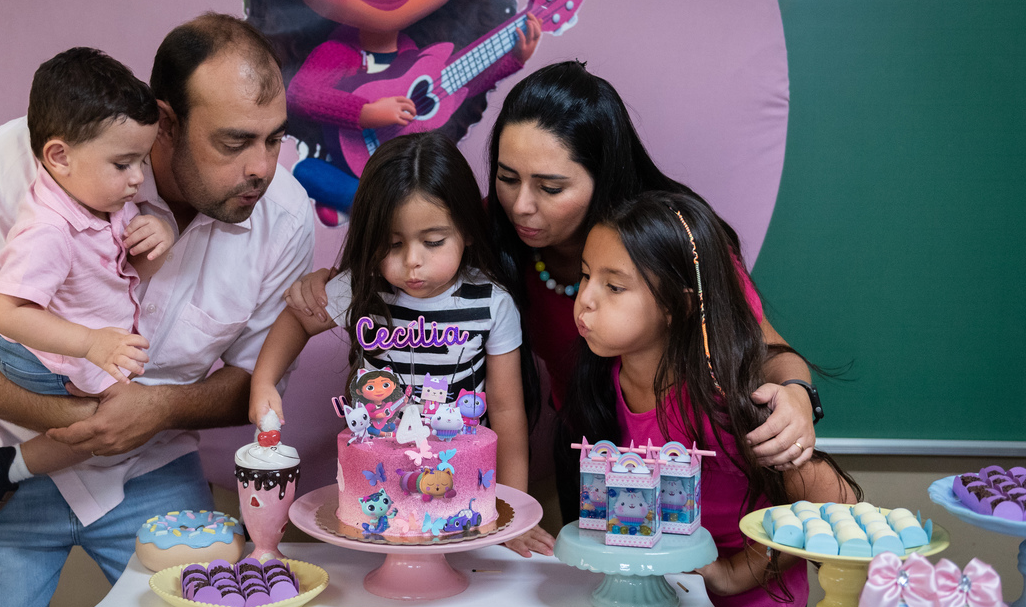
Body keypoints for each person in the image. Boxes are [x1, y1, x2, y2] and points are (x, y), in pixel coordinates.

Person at [0, 13, 315, 607]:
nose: (262, 168)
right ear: (165, 122)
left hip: (150, 473)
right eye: (235, 142)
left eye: (275, 138)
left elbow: (254, 385)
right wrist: (76, 422)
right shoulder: (34, 156)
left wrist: (159, 408)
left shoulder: (286, 219)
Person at [284, 62, 819, 544]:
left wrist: (797, 395)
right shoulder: (485, 231)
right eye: (507, 178)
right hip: (588, 449)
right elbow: (405, 251)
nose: (521, 205)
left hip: (686, 462)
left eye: (551, 187)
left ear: (602, 179)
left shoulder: (669, 244)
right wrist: (337, 282)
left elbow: (768, 353)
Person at [561, 191, 859, 607]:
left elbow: (835, 501)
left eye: (614, 286)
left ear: (678, 305)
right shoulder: (603, 378)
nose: (586, 299)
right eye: (585, 276)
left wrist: (735, 574)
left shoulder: (723, 401)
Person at [0, 47, 176, 530]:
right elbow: (6, 313)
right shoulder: (48, 231)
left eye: (142, 161)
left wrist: (160, 236)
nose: (139, 178)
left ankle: (9, 466)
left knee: (117, 417)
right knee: (105, 422)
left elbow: (124, 270)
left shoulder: (100, 197)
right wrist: (90, 343)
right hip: (22, 342)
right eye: (123, 164)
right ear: (59, 157)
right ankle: (9, 467)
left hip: (79, 340)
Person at [249, 132, 530, 496]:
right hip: (378, 483)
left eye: (433, 242)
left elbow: (507, 413)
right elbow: (297, 320)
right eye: (393, 244)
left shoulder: (491, 303)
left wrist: (514, 503)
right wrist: (263, 381)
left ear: (467, 231)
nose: (412, 260)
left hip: (458, 480)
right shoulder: (363, 288)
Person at [233, 0, 540, 223]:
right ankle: (365, 201)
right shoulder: (338, 52)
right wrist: (365, 113)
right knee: (307, 170)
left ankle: (367, 200)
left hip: (404, 168)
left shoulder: (417, 54)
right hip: (353, 159)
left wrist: (512, 60)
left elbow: (459, 86)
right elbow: (302, 95)